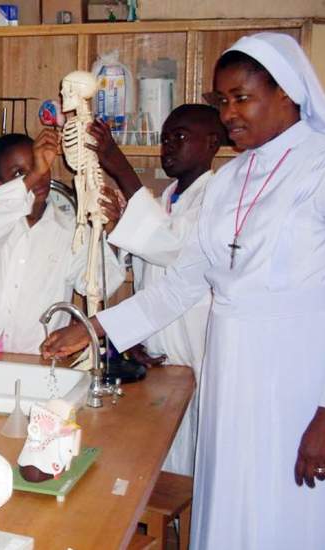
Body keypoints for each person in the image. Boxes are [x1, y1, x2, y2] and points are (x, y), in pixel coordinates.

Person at [41, 33, 325, 549]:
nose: (229, 114)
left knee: (289, 511)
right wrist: (95, 329)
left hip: (299, 377)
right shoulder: (230, 180)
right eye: (222, 101)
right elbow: (183, 283)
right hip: (230, 370)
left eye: (242, 98)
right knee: (230, 501)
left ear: (288, 92)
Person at [86, 104, 225, 475]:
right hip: (160, 355)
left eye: (179, 137)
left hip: (195, 351)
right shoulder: (166, 200)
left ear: (213, 143)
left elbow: (171, 248)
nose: (167, 147)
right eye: (165, 139)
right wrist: (132, 335)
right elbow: (148, 280)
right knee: (160, 460)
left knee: (195, 461)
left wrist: (117, 161)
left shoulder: (215, 200)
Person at [0, 130, 125, 353]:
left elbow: (100, 284)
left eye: (40, 165)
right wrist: (35, 172)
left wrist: (111, 230)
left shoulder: (71, 230)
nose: (40, 174)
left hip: (38, 356)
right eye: (20, 173)